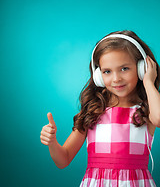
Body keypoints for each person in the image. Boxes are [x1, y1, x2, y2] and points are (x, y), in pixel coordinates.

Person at [40, 30, 160, 186]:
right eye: (107, 71)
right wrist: (52, 143)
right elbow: (63, 160)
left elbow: (158, 119)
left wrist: (149, 82)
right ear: (98, 76)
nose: (116, 78)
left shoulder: (147, 109)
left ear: (141, 68)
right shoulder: (93, 110)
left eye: (124, 68)